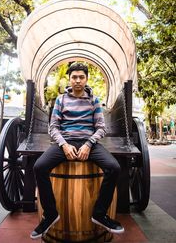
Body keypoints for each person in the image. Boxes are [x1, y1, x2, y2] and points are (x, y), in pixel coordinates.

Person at [30, 62, 124, 240]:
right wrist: (64, 144)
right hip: (65, 141)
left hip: (89, 142)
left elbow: (101, 128)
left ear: (86, 79)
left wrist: (88, 144)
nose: (78, 80)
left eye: (81, 77)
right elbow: (53, 127)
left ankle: (100, 214)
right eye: (74, 77)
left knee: (114, 167)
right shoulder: (61, 100)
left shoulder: (94, 100)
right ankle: (50, 214)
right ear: (69, 79)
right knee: (39, 167)